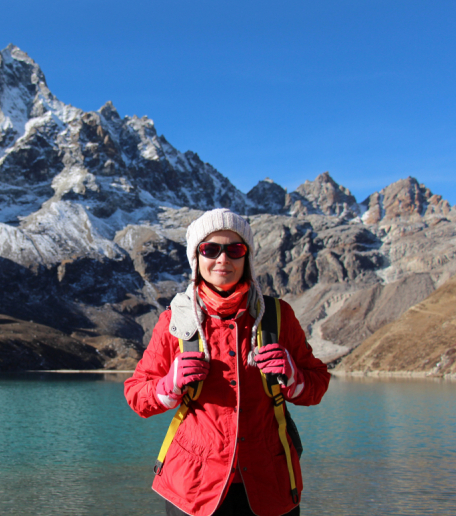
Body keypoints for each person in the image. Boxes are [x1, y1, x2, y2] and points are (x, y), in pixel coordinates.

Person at [124, 209, 330, 516]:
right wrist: (169, 385)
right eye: (211, 249)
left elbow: (316, 386)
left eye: (235, 250)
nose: (223, 260)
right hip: (193, 488)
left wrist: (293, 375)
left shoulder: (277, 315)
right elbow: (137, 396)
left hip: (269, 484)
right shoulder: (175, 320)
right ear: (197, 258)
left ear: (247, 258)